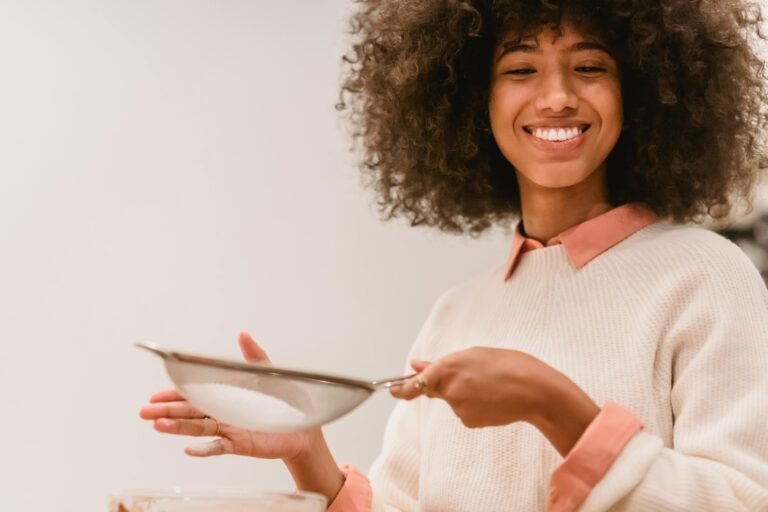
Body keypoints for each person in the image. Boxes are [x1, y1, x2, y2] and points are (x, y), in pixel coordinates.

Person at [140, 1, 768, 510]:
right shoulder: (457, 313)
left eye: (590, 67)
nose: (556, 97)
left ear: (641, 90)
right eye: (520, 70)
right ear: (474, 101)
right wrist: (308, 454)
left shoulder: (704, 275)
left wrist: (554, 405)